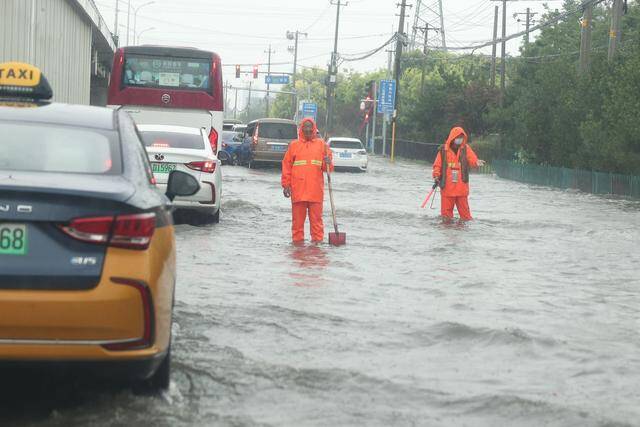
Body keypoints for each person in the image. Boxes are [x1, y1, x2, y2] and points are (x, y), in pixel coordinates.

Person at [281, 118, 333, 243]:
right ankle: (298, 249)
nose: (308, 129)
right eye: (306, 127)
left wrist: (328, 162)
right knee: (297, 225)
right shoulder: (294, 146)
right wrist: (286, 185)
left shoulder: (322, 145)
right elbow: (286, 166)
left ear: (314, 128)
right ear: (301, 129)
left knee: (317, 224)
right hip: (298, 192)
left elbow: (328, 169)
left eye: (310, 127)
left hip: (315, 192)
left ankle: (316, 250)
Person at [432, 126, 485, 220]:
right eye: (458, 137)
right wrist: (436, 176)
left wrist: (476, 162)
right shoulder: (443, 150)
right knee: (446, 217)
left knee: (466, 217)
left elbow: (472, 159)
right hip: (447, 188)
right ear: (452, 137)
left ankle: (463, 233)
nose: (459, 139)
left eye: (461, 137)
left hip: (461, 188)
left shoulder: (465, 148)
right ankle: (447, 233)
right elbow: (437, 165)